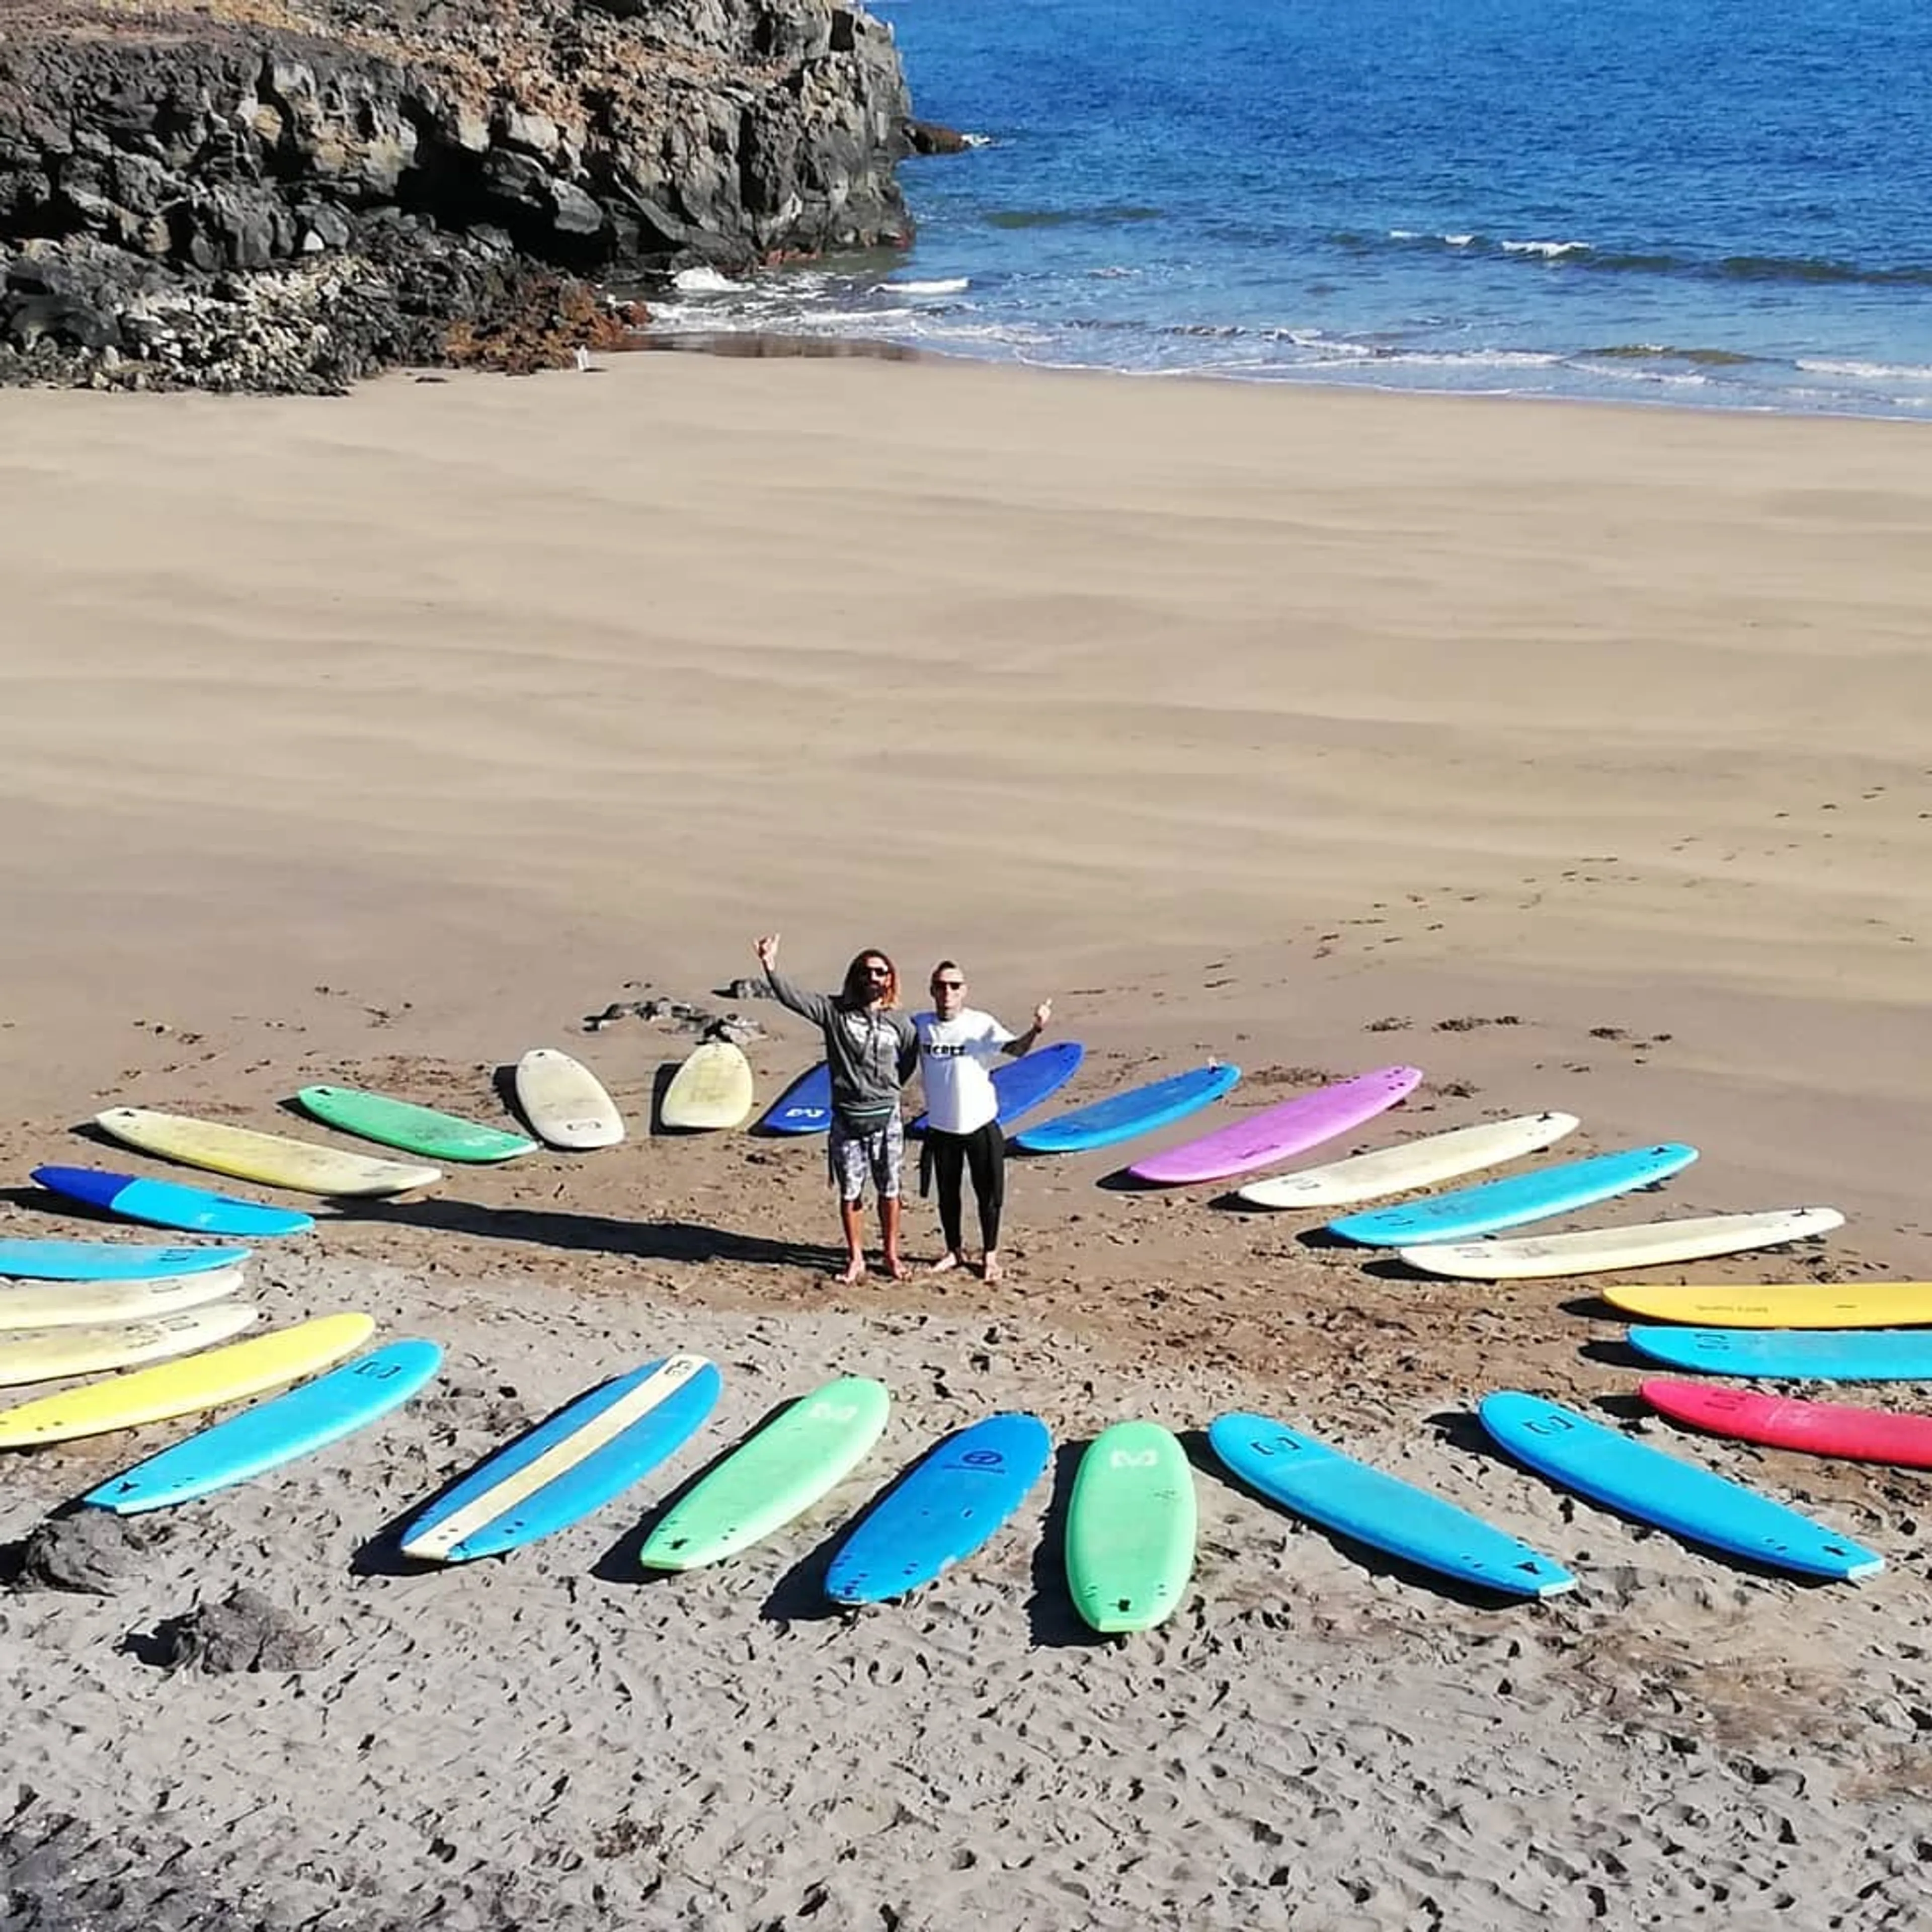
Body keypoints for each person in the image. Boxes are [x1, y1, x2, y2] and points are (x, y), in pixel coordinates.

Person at [755, 933, 917, 1284]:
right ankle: (856, 1257)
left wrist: (888, 1090)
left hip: (886, 1117)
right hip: (847, 1117)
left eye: (880, 972)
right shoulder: (834, 1013)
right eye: (866, 972)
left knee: (890, 1189)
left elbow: (908, 1061)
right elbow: (793, 999)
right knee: (851, 1191)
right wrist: (770, 967)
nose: (873, 978)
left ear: (890, 979)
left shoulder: (901, 1024)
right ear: (855, 977)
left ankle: (891, 1254)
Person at [912, 960, 1051, 1285]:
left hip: (979, 1124)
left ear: (965, 991)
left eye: (955, 986)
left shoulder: (980, 1024)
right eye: (942, 986)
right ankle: (954, 1250)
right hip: (942, 1126)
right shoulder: (920, 1025)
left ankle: (990, 1255)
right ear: (932, 990)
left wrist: (1037, 1030)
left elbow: (1015, 1050)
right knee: (947, 1194)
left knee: (988, 1193)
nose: (948, 992)